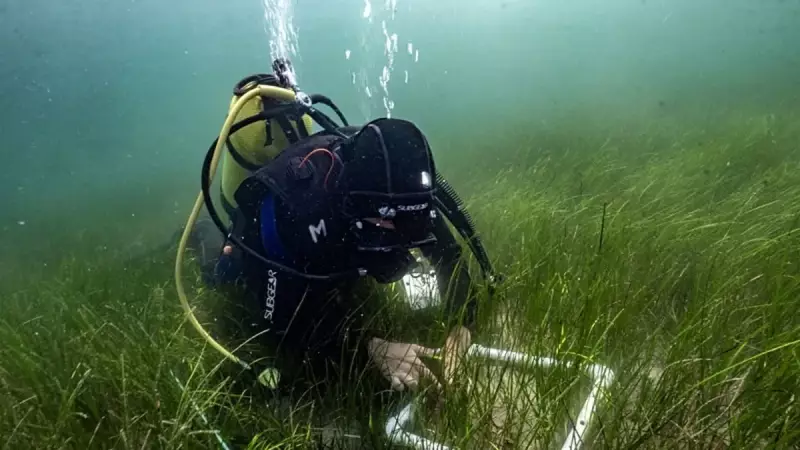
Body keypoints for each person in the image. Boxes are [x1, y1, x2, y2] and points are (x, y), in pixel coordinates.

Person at [183, 59, 499, 394]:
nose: (406, 237)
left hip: (338, 244)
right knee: (222, 274)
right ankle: (196, 234)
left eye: (414, 221)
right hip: (259, 241)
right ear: (353, 206)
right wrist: (368, 347)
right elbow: (279, 322)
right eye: (389, 222)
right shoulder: (304, 213)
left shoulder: (406, 202)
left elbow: (449, 259)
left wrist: (460, 331)